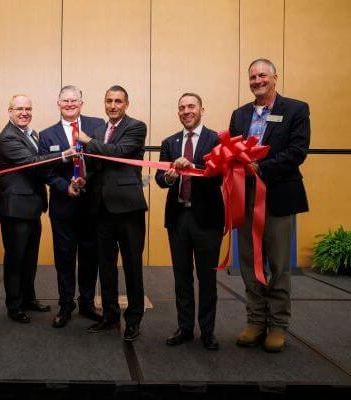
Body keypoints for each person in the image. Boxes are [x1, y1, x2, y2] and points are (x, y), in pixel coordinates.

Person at [229, 58, 310, 352]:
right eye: (252, 76)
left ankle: (278, 325)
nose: (257, 80)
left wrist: (261, 169)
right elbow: (230, 152)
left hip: (278, 197)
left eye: (262, 75)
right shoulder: (239, 114)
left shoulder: (296, 110)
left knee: (277, 264)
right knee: (250, 263)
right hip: (246, 197)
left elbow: (298, 151)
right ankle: (255, 321)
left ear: (275, 77)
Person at [0, 94, 76, 324]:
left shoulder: (31, 133)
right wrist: (63, 155)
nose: (24, 112)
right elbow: (33, 164)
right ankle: (14, 305)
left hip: (32, 206)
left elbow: (39, 160)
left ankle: (28, 298)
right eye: (19, 108)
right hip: (15, 208)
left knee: (29, 258)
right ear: (9, 111)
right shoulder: (8, 137)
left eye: (28, 108)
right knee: (15, 258)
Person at [77, 85, 147, 342]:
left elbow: (119, 154)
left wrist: (89, 143)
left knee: (132, 267)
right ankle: (109, 316)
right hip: (101, 209)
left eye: (118, 101)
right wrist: (83, 180)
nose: (113, 105)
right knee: (105, 267)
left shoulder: (136, 127)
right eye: (109, 101)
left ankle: (134, 320)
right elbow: (95, 167)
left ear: (126, 104)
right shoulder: (97, 131)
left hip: (128, 209)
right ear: (104, 104)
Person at [155, 93, 224, 350]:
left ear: (202, 109)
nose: (186, 111)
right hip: (178, 218)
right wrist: (171, 177)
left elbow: (219, 177)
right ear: (178, 112)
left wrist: (191, 165)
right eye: (182, 107)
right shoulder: (169, 142)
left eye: (191, 106)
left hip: (207, 219)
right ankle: (185, 328)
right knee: (181, 277)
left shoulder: (216, 140)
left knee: (207, 279)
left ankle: (208, 332)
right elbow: (161, 180)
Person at [38, 85, 104, 328]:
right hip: (64, 206)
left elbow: (103, 161)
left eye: (73, 100)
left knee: (90, 256)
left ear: (81, 103)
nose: (69, 104)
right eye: (64, 101)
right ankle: (66, 304)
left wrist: (89, 180)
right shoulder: (46, 135)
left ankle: (87, 303)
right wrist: (65, 186)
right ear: (58, 104)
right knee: (64, 257)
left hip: (92, 205)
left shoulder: (98, 126)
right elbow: (46, 171)